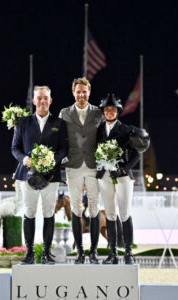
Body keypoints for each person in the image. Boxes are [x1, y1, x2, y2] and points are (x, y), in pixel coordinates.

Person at [12, 85, 68, 265]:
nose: (42, 101)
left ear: (50, 100)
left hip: (51, 176)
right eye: (39, 98)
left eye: (46, 98)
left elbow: (64, 149)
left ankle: (46, 253)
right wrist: (25, 159)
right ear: (34, 101)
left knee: (49, 212)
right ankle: (29, 253)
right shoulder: (23, 122)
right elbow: (15, 148)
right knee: (29, 212)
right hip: (27, 175)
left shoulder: (59, 124)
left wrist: (52, 160)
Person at [59, 77, 103, 264]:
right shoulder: (64, 113)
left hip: (94, 165)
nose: (81, 94)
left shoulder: (98, 112)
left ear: (89, 92)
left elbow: (104, 137)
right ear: (73, 92)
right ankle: (80, 252)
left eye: (84, 91)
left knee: (94, 207)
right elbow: (60, 138)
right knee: (76, 208)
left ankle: (93, 252)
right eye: (78, 91)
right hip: (73, 165)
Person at [96, 94, 141, 264]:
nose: (109, 112)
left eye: (112, 109)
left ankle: (128, 252)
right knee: (110, 214)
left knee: (125, 212)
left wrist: (124, 168)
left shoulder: (126, 130)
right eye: (107, 109)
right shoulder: (98, 130)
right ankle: (113, 252)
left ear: (117, 111)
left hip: (122, 176)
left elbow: (136, 154)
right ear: (104, 111)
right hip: (104, 176)